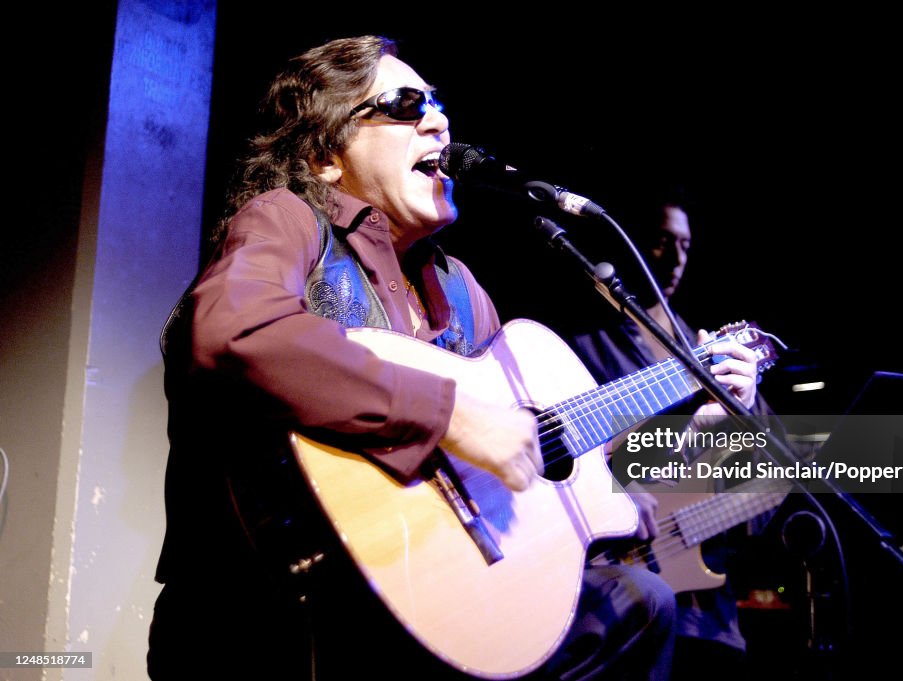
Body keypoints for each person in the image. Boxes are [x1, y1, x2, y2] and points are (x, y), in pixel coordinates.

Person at [149, 36, 696, 681]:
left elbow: (519, 452)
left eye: (437, 104)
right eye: (406, 104)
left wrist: (613, 490)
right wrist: (448, 415)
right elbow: (236, 332)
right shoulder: (288, 220)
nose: (437, 119)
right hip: (272, 620)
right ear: (326, 154)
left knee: (636, 604)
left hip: (429, 607)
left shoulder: (462, 289)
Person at [565, 184, 776, 679]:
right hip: (613, 595)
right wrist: (617, 491)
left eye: (684, 244)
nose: (676, 256)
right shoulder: (578, 344)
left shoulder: (712, 351)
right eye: (662, 241)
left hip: (710, 616)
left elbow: (770, 477)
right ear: (633, 241)